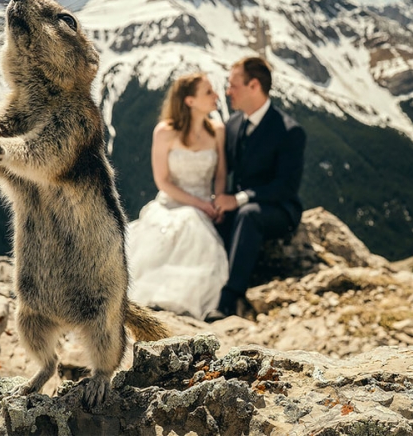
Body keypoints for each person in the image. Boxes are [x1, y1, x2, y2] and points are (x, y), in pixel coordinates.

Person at [208, 57, 306, 321]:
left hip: (279, 209)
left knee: (248, 214)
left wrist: (238, 199)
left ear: (254, 85)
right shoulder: (233, 125)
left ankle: (229, 300)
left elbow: (286, 186)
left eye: (233, 85)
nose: (228, 91)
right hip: (242, 207)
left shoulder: (289, 131)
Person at [126, 73, 230, 320]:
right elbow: (162, 180)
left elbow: (221, 173)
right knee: (180, 225)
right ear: (189, 101)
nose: (217, 96)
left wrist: (216, 201)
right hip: (172, 203)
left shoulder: (217, 130)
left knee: (195, 231)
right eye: (208, 92)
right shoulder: (164, 132)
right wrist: (200, 205)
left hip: (206, 204)